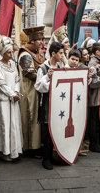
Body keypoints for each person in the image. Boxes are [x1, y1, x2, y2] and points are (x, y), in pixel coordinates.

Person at [0, 37, 23, 162]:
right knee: (3, 125)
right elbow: (1, 84)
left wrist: (16, 91)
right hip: (3, 100)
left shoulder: (13, 64)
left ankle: (12, 150)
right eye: (8, 52)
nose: (11, 54)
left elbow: (16, 80)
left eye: (11, 52)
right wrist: (11, 94)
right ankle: (3, 151)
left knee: (13, 125)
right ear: (2, 53)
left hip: (13, 100)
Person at [35, 42, 64, 170]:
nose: (63, 56)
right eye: (61, 53)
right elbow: (39, 87)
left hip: (58, 103)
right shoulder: (43, 68)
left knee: (55, 130)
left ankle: (52, 155)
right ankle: (46, 158)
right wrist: (48, 77)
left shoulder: (60, 66)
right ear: (53, 53)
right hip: (47, 103)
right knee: (47, 131)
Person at [18, 26, 45, 155]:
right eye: (39, 40)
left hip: (37, 91)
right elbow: (29, 74)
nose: (42, 42)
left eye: (42, 39)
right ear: (32, 41)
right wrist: (45, 78)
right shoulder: (25, 55)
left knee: (36, 119)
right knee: (30, 118)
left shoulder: (37, 53)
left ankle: (36, 145)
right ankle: (29, 148)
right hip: (29, 92)